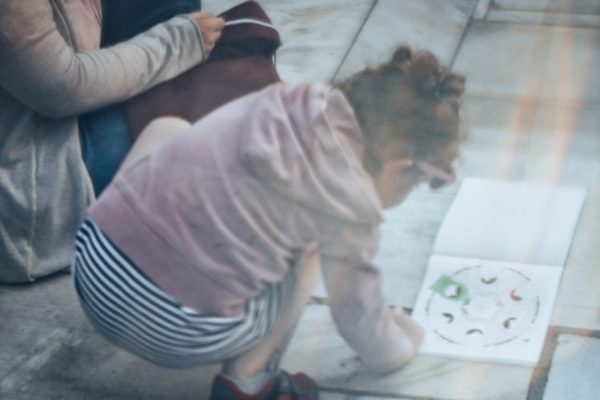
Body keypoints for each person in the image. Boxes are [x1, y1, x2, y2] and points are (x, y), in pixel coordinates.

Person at [72, 47, 465, 400]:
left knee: (169, 129)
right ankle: (247, 381)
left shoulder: (282, 103)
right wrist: (401, 345)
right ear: (400, 169)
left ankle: (126, 231)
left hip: (92, 270)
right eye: (423, 182)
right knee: (311, 253)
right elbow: (357, 315)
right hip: (175, 332)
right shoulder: (351, 207)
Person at [0, 0, 224, 283]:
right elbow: (62, 87)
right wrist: (179, 41)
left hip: (65, 124)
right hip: (30, 192)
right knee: (206, 133)